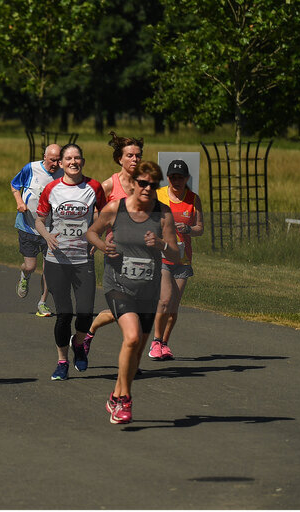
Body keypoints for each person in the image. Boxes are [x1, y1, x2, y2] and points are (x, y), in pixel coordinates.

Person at [86, 161, 180, 424]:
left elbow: (176, 253)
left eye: (153, 184)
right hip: (119, 285)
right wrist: (104, 246)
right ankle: (125, 400)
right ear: (135, 183)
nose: (148, 188)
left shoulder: (164, 215)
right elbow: (91, 232)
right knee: (132, 337)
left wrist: (161, 244)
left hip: (147, 290)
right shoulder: (117, 208)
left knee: (136, 353)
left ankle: (115, 397)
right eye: (143, 183)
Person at [34, 143, 106, 381]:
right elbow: (39, 220)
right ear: (61, 163)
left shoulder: (94, 186)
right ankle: (62, 362)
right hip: (57, 260)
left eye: (77, 158)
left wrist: (99, 239)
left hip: (83, 260)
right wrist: (46, 236)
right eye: (68, 159)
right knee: (64, 314)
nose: (73, 162)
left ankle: (79, 344)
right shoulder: (52, 188)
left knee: (85, 312)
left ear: (82, 162)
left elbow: (106, 216)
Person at [79, 131, 146, 362]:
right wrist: (98, 242)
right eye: (130, 155)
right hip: (116, 255)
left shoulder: (144, 185)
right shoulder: (108, 185)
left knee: (136, 309)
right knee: (127, 309)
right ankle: (130, 360)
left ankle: (90, 331)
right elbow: (95, 216)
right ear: (120, 158)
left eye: (138, 155)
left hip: (143, 256)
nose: (135, 160)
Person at [151, 159, 205, 360]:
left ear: (187, 178)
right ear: (168, 178)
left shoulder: (193, 199)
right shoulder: (159, 195)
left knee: (173, 306)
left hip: (183, 259)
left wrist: (188, 229)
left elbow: (200, 228)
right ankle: (155, 341)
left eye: (180, 177)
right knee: (164, 300)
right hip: (163, 254)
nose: (176, 181)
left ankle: (164, 343)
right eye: (173, 177)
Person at [10, 143, 62, 316]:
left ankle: (42, 303)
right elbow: (15, 185)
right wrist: (19, 203)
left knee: (49, 269)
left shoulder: (65, 174)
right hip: (27, 226)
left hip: (51, 230)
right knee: (31, 266)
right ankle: (25, 275)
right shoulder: (31, 168)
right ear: (45, 157)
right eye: (52, 160)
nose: (55, 164)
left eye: (58, 160)